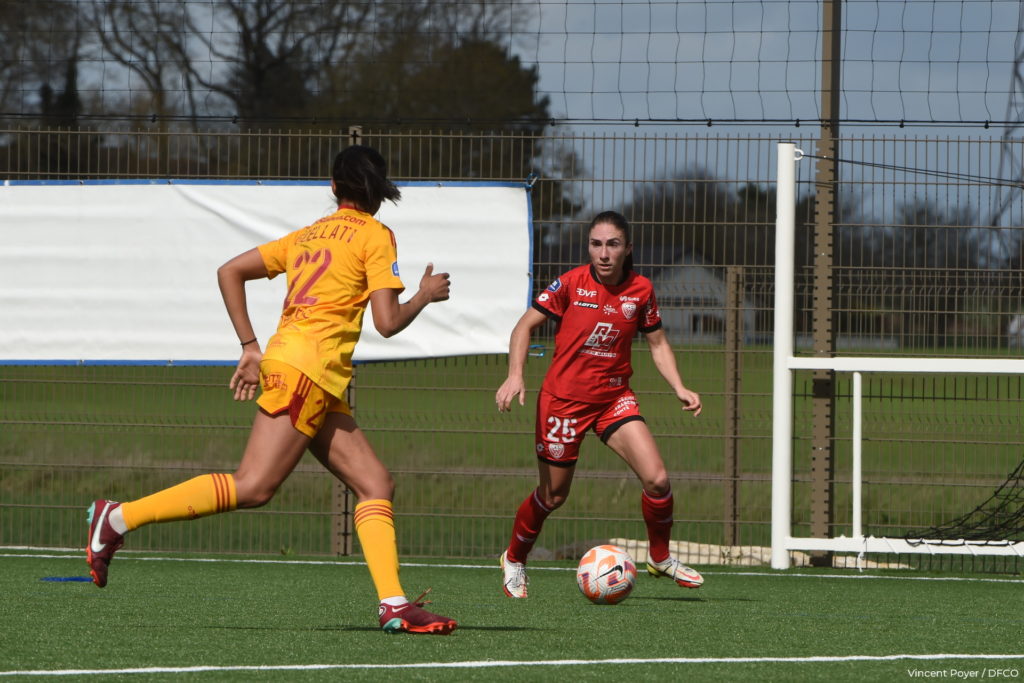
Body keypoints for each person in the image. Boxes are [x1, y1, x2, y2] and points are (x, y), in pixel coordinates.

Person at [86, 145, 457, 635]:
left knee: (374, 484)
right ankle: (118, 518)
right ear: (380, 190)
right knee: (254, 486)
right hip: (309, 371)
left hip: (307, 372)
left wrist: (250, 346)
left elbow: (229, 271)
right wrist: (424, 296)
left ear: (333, 186)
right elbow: (387, 323)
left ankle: (394, 605)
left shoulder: (307, 235)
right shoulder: (376, 234)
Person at [494, 210, 704, 598]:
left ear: (627, 248)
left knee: (658, 480)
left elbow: (657, 343)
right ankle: (515, 558)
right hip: (563, 403)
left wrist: (679, 386)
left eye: (612, 244)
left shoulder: (641, 290)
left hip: (613, 399)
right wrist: (515, 374)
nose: (604, 253)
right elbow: (523, 326)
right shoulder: (570, 284)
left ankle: (660, 558)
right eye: (596, 244)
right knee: (553, 496)